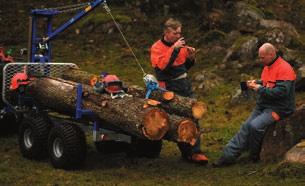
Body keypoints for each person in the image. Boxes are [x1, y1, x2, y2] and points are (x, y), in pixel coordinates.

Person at [213, 43, 296, 167]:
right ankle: (227, 156)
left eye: (262, 57)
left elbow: (281, 93)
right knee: (246, 126)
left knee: (255, 126)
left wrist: (259, 89)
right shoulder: (268, 65)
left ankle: (254, 156)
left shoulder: (285, 69)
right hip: (263, 105)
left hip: (280, 109)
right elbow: (267, 82)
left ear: (271, 54)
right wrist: (254, 83)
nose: (260, 60)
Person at [150, 18, 208, 164]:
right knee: (179, 120)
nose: (178, 36)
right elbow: (163, 68)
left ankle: (195, 152)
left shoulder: (180, 47)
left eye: (179, 33)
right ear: (166, 33)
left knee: (194, 116)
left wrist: (191, 58)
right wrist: (174, 49)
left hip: (184, 84)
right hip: (169, 87)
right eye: (175, 33)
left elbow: (184, 68)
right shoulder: (156, 48)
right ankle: (187, 152)